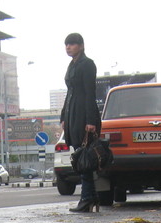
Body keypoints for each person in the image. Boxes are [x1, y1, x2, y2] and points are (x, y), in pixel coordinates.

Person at [60, 32, 101, 213]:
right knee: (80, 156)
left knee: (85, 158)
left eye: (72, 44)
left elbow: (89, 93)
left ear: (81, 46)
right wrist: (63, 116)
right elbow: (69, 93)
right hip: (72, 114)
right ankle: (90, 198)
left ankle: (86, 199)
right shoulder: (72, 65)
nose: (68, 47)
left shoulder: (87, 64)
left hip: (84, 116)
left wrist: (91, 120)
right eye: (67, 44)